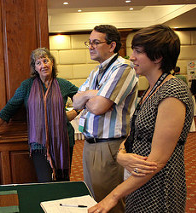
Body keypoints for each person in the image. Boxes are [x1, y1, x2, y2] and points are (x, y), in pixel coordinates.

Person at [88, 24, 193, 213]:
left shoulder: (173, 91)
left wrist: (113, 196)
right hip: (138, 183)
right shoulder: (152, 89)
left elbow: (157, 161)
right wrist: (121, 155)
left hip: (161, 189)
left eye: (138, 51)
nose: (132, 57)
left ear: (158, 56)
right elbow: (134, 132)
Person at [0, 47, 79, 182]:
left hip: (63, 141)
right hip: (39, 144)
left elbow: (82, 97)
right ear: (35, 67)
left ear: (52, 62)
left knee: (63, 181)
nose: (43, 65)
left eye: (45, 61)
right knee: (45, 181)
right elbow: (10, 108)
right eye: (38, 63)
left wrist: (75, 112)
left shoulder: (63, 84)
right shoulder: (27, 86)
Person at [72, 25, 138, 213]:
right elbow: (76, 101)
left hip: (110, 145)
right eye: (89, 43)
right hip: (90, 144)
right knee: (93, 199)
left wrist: (89, 97)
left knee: (110, 203)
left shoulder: (123, 68)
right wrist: (92, 95)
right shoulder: (96, 72)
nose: (91, 46)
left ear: (112, 46)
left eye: (96, 42)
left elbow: (99, 107)